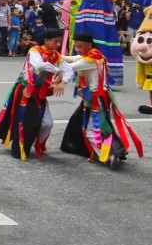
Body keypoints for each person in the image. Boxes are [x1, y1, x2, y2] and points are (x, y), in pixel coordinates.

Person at [60, 32, 142, 169]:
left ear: (89, 45)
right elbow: (71, 58)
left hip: (95, 99)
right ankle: (107, 151)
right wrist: (52, 55)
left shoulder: (90, 60)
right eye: (75, 46)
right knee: (80, 121)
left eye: (79, 46)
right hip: (98, 97)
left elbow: (70, 66)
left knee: (93, 131)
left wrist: (49, 63)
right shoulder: (95, 55)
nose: (77, 49)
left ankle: (108, 156)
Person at [0, 29, 74, 160]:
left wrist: (63, 81)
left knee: (47, 124)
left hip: (40, 93)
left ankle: (37, 143)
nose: (58, 44)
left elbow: (69, 70)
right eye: (55, 41)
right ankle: (20, 149)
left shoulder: (55, 56)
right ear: (46, 41)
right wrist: (58, 70)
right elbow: (39, 65)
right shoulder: (34, 51)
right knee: (24, 122)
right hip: (25, 91)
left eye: (59, 42)